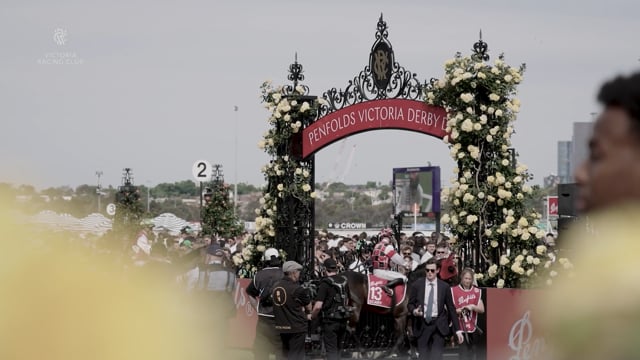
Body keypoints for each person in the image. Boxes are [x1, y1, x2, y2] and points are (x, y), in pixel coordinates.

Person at [408, 258, 463, 360]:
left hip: (439, 326)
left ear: (437, 270)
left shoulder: (444, 287)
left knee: (436, 356)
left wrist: (458, 330)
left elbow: (451, 308)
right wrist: (415, 311)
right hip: (422, 325)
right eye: (427, 270)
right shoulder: (417, 285)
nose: (429, 273)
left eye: (432, 270)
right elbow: (410, 304)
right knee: (423, 357)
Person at [246, 248, 284, 360]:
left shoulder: (259, 275)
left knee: (261, 350)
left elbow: (249, 293)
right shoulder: (284, 274)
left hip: (264, 318)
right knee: (281, 350)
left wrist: (257, 308)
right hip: (281, 318)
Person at [311, 258, 351, 360]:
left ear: (325, 269)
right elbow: (346, 301)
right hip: (342, 319)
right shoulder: (344, 281)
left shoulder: (325, 284)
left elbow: (318, 305)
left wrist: (312, 316)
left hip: (330, 321)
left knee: (331, 351)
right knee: (338, 349)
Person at [272, 260, 312, 360]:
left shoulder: (275, 286)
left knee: (283, 355)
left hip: (281, 326)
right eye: (298, 272)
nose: (299, 274)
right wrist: (307, 313)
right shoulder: (297, 289)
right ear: (293, 272)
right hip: (296, 327)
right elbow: (309, 307)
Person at [451, 268, 484, 360]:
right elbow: (450, 309)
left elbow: (482, 309)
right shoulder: (454, 290)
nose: (467, 281)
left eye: (469, 279)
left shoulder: (476, 291)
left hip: (473, 326)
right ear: (461, 278)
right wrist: (460, 310)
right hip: (460, 326)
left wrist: (472, 307)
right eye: (466, 278)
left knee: (473, 353)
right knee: (463, 352)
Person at [371, 231, 409, 296]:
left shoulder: (377, 245)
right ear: (389, 237)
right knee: (404, 278)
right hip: (382, 272)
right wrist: (406, 264)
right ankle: (387, 286)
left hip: (375, 270)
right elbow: (396, 259)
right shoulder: (388, 247)